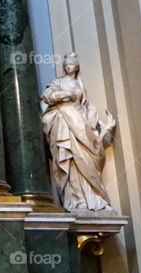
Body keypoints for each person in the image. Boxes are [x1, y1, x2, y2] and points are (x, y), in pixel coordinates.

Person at [41, 53, 116, 211]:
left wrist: (96, 126)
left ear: (76, 66)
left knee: (86, 158)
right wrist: (64, 95)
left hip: (80, 125)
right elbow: (47, 96)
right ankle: (76, 200)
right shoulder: (58, 82)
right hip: (64, 126)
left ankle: (94, 198)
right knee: (70, 160)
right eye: (66, 64)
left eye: (71, 63)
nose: (68, 66)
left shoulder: (80, 85)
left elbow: (85, 106)